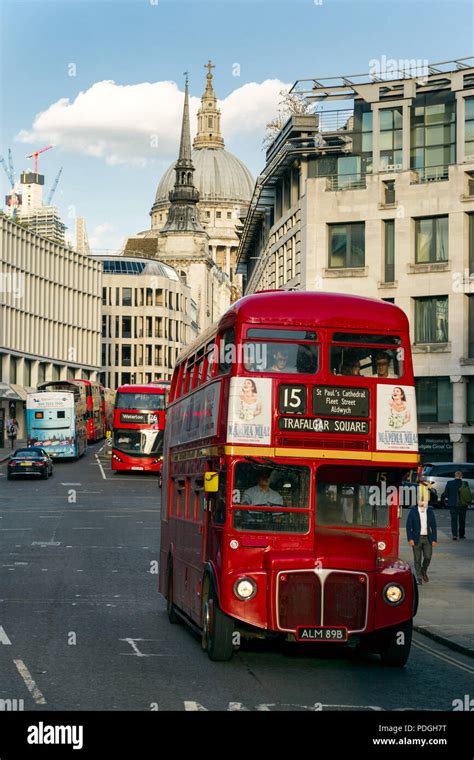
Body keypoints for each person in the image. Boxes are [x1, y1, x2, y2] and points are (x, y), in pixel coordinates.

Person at [406, 492, 438, 584]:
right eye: (421, 500)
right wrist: (410, 539)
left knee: (428, 557)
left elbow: (434, 526)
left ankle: (423, 570)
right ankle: (419, 577)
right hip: (416, 538)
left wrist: (434, 539)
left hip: (428, 538)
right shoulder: (413, 511)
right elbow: (408, 526)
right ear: (418, 501)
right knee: (417, 559)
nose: (423, 502)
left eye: (424, 501)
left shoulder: (429, 511)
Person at [443, 470, 470, 540]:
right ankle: (461, 535)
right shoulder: (465, 483)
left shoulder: (449, 483)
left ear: (455, 476)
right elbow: (468, 494)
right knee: (462, 520)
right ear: (461, 476)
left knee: (454, 520)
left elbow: (446, 494)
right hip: (463, 504)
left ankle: (454, 535)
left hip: (453, 504)